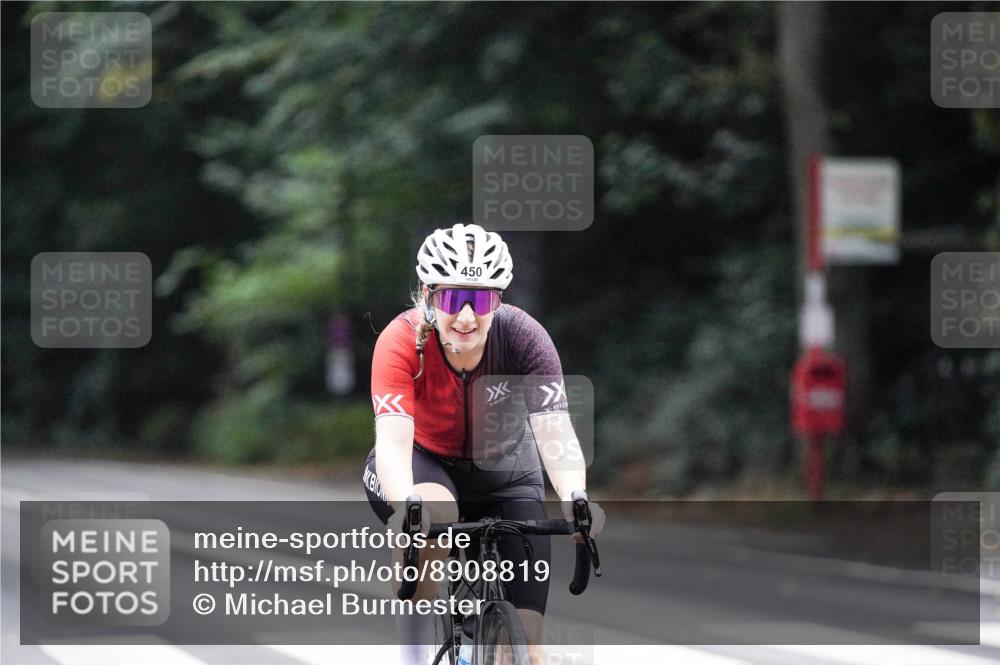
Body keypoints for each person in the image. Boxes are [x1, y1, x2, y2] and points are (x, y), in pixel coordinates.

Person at [363, 222, 605, 665]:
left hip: (506, 471)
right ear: (428, 295)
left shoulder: (523, 336)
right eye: (453, 299)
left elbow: (554, 430)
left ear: (499, 301)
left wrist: (575, 494)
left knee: (528, 650)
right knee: (432, 514)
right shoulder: (400, 341)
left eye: (481, 300)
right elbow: (394, 443)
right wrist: (407, 505)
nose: (466, 317)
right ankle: (413, 657)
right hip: (424, 462)